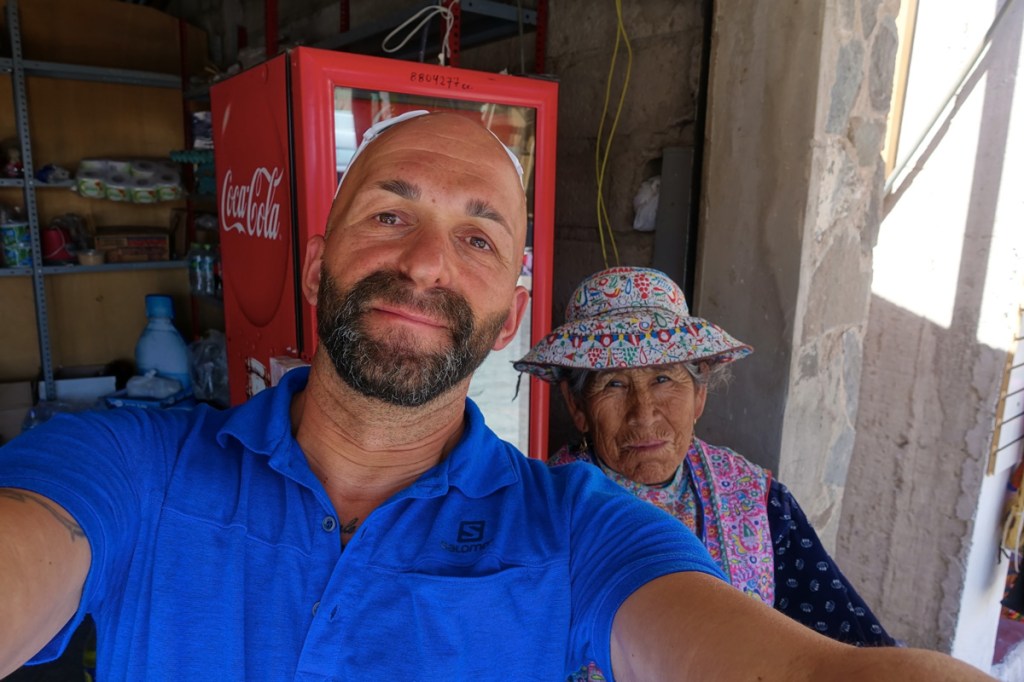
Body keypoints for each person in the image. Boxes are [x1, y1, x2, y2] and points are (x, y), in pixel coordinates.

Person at [0, 112, 994, 681]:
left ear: (508, 314)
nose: (427, 259)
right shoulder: (130, 465)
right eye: (391, 212)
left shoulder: (581, 530)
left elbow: (814, 669)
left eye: (478, 236)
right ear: (314, 269)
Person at [514, 266, 896, 680]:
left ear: (699, 395)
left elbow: (850, 641)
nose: (644, 413)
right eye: (613, 385)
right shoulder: (536, 518)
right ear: (577, 407)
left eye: (663, 379)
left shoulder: (760, 501)